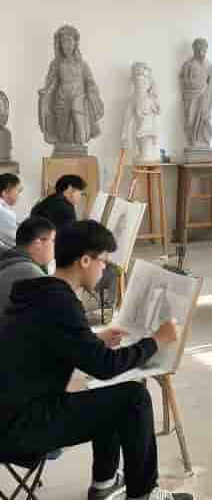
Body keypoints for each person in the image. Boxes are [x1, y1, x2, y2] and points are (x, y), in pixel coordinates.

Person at [0, 220, 192, 500]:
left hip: (11, 412)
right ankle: (144, 494)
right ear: (85, 260)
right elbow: (105, 366)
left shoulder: (41, 292)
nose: (104, 269)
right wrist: (156, 340)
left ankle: (104, 483)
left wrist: (93, 340)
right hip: (20, 426)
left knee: (108, 395)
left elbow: (51, 340)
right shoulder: (60, 302)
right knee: (133, 398)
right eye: (103, 261)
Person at [0, 216, 55, 312]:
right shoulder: (33, 275)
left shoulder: (9, 259)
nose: (56, 246)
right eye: (53, 240)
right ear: (38, 243)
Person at [0, 173, 22, 253]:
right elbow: (16, 240)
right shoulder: (3, 212)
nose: (19, 195)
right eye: (17, 191)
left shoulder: (4, 209)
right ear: (4, 193)